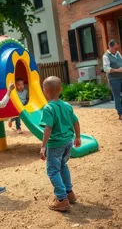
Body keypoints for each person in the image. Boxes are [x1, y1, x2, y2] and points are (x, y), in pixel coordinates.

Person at [40, 76, 81, 212]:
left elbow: (48, 128)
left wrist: (43, 146)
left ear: (45, 91)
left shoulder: (48, 108)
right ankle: (69, 193)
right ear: (61, 90)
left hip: (56, 144)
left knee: (52, 171)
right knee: (63, 165)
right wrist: (78, 137)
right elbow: (76, 121)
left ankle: (62, 199)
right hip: (68, 142)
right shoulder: (67, 105)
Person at [103, 39, 122, 119]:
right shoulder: (105, 56)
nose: (116, 49)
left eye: (117, 48)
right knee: (117, 97)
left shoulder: (118, 53)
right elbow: (106, 68)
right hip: (114, 80)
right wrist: (118, 70)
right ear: (110, 47)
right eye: (115, 48)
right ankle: (120, 113)